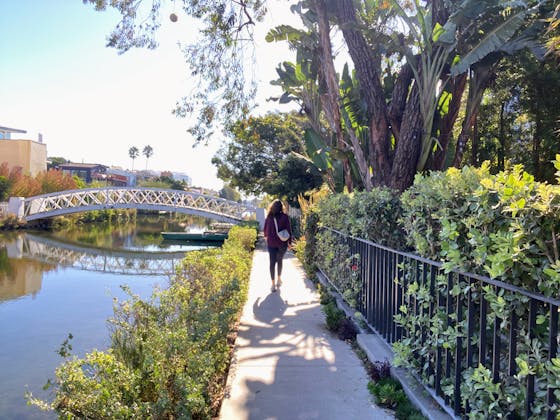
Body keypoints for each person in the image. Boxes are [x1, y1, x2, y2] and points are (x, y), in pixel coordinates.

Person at [263, 199, 292, 292]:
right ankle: (279, 279)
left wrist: (267, 237)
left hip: (271, 243)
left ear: (272, 207)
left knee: (272, 263)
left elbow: (265, 231)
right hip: (282, 243)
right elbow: (289, 230)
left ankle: (272, 284)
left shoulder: (269, 218)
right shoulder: (285, 217)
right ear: (281, 207)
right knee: (279, 261)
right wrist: (290, 243)